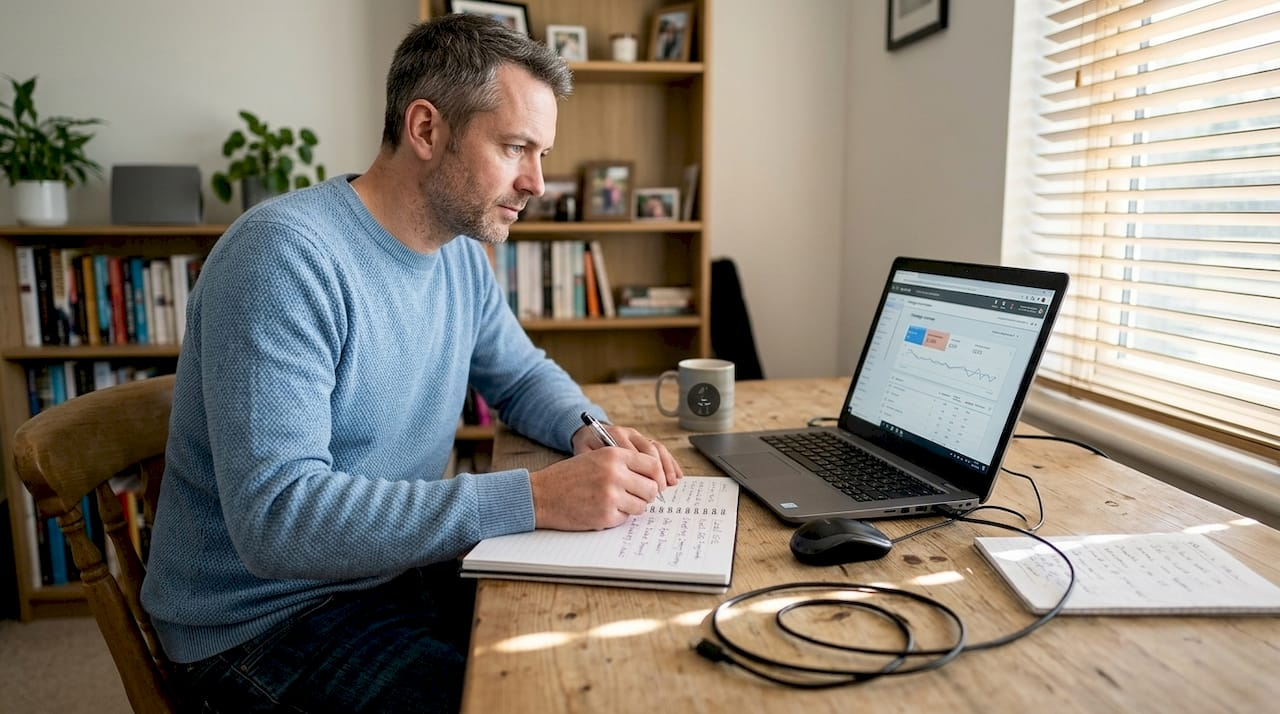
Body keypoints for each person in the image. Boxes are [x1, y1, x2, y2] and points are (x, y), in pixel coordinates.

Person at [140, 13, 682, 713]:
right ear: (426, 129)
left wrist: (590, 430)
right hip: (265, 625)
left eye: (541, 153)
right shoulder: (282, 257)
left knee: (611, 656)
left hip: (395, 574)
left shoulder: (460, 256)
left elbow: (518, 375)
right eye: (517, 147)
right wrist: (538, 497)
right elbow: (278, 518)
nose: (538, 183)